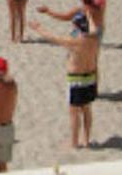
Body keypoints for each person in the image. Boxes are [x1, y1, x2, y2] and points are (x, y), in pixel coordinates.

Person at [29, 13, 100, 149]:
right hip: (90, 77)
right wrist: (90, 14)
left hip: (76, 79)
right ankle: (86, 140)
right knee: (87, 109)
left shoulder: (74, 41)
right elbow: (94, 27)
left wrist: (38, 29)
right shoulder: (95, 39)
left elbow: (53, 38)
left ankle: (74, 142)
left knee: (74, 112)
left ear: (77, 26)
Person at [38, 0, 105, 39]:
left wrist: (48, 11)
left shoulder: (79, 10)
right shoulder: (99, 9)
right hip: (95, 35)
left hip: (80, 35)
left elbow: (64, 17)